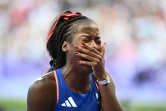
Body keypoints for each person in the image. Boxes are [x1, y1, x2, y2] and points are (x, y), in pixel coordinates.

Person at [27, 11, 125, 111]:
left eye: (98, 41)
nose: (94, 46)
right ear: (65, 46)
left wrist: (102, 78)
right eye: (85, 40)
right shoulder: (44, 87)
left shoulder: (103, 80)